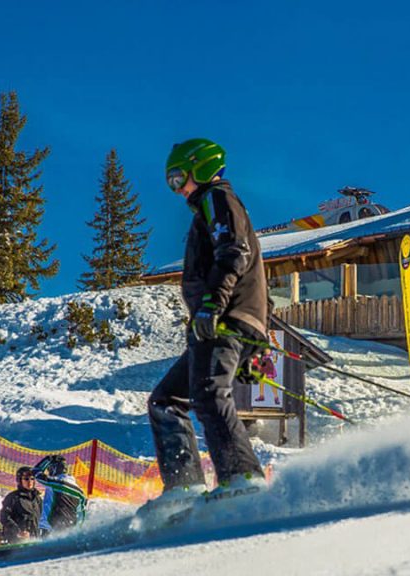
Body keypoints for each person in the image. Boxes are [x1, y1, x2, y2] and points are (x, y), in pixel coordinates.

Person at [146, 138, 268, 505]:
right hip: (228, 320)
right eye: (171, 182)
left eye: (178, 178)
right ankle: (184, 488)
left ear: (200, 167)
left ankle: (242, 478)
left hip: (222, 319)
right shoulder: (211, 206)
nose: (177, 189)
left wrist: (212, 304)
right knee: (166, 400)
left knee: (209, 393)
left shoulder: (217, 198)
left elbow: (234, 253)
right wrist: (253, 347)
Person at [32, 455, 86, 535]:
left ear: (54, 469)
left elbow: (35, 471)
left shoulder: (55, 482)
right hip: (69, 532)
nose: (49, 472)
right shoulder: (80, 492)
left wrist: (47, 459)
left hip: (50, 529)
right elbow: (81, 515)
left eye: (49, 469)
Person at [0, 467, 43, 543]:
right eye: (26, 479)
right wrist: (17, 531)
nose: (30, 482)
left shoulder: (37, 498)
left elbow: (42, 517)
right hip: (17, 540)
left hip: (35, 540)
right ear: (20, 480)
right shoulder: (13, 497)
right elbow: (4, 517)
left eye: (32, 479)